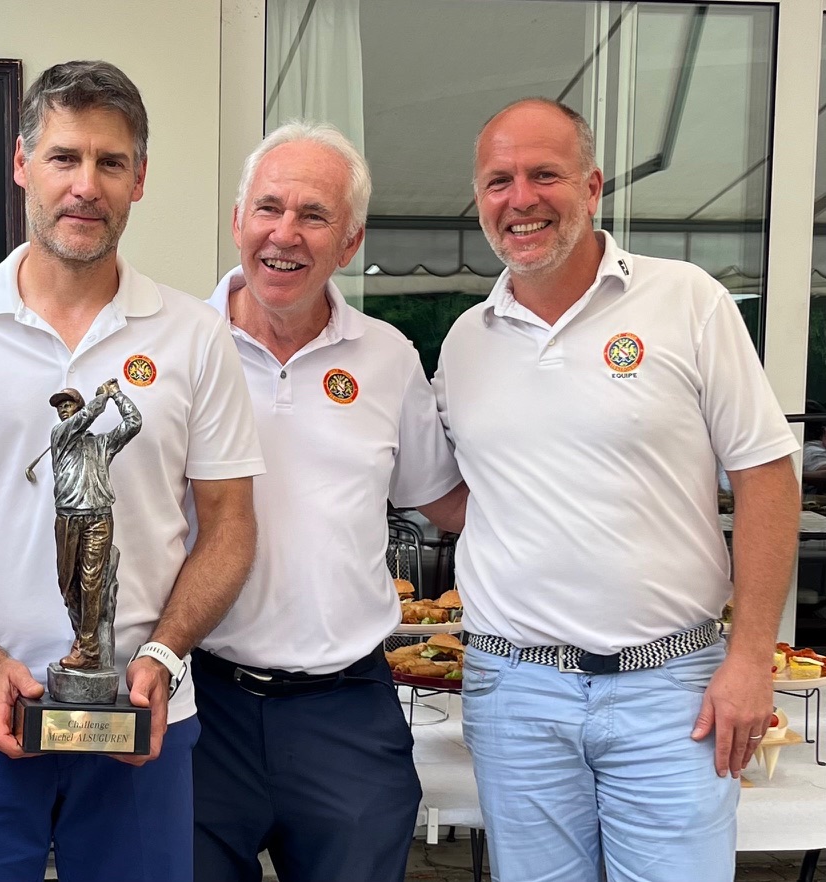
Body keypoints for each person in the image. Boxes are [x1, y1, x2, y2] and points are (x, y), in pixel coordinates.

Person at [0, 60, 262, 882]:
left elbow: (231, 524)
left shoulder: (194, 335)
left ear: (140, 179)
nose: (86, 185)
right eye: (64, 157)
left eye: (110, 162)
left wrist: (163, 657)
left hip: (142, 720)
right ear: (23, 164)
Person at [433, 97, 800, 881]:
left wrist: (750, 659)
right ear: (479, 197)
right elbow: (460, 491)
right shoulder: (466, 341)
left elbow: (767, 478)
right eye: (499, 181)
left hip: (672, 689)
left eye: (545, 174)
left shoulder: (687, 300)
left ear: (593, 186)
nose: (521, 199)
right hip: (515, 690)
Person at [192, 121, 467, 882]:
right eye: (269, 207)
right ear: (238, 220)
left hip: (346, 710)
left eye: (314, 215)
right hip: (198, 702)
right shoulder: (176, 346)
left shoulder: (388, 358)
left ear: (350, 243)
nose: (285, 234)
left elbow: (446, 502)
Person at [48, 380, 141, 670]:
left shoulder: (101, 443)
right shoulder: (60, 435)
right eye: (60, 407)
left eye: (68, 404)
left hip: (99, 517)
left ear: (77, 405)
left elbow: (134, 422)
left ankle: (89, 650)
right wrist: (101, 398)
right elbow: (85, 418)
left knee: (92, 583)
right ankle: (82, 637)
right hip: (68, 518)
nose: (63, 410)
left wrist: (117, 394)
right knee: (68, 586)